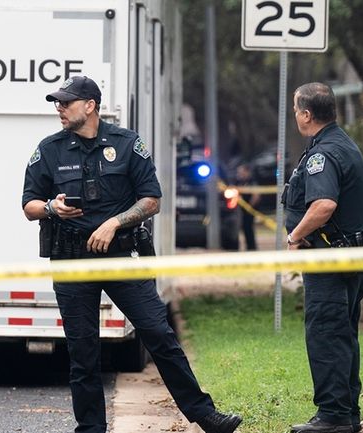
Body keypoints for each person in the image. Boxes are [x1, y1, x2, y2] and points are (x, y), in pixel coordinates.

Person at [21, 76, 242, 433]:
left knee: (159, 334)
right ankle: (90, 429)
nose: (59, 108)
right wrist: (51, 207)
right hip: (72, 260)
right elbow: (28, 205)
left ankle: (205, 416)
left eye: (66, 102)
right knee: (83, 353)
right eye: (57, 102)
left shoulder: (126, 144)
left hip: (121, 255)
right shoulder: (49, 149)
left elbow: (151, 199)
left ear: (90, 105)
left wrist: (115, 223)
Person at [284, 82, 363, 433]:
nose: (295, 115)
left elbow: (324, 204)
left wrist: (295, 235)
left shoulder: (323, 153)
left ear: (307, 114)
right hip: (349, 254)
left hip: (331, 259)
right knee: (343, 333)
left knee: (326, 333)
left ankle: (334, 416)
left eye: (296, 109)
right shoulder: (341, 143)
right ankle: (346, 413)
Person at [236, 163, 260, 250]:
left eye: (241, 172)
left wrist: (249, 207)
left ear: (247, 172)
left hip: (249, 210)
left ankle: (252, 247)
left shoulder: (252, 181)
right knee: (243, 229)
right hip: (241, 210)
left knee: (248, 228)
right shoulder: (240, 182)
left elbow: (256, 196)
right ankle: (247, 247)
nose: (239, 174)